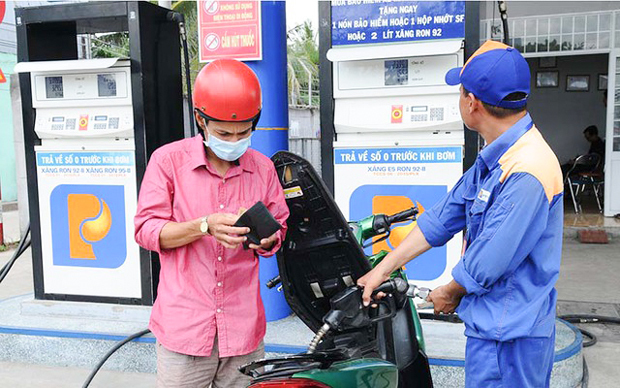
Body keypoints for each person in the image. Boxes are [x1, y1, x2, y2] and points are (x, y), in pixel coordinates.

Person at [358, 40, 563, 388]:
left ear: (472, 102)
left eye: (461, 92)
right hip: (492, 327)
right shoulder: (498, 156)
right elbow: (442, 218)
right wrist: (380, 270)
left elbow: (488, 261)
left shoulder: (528, 169)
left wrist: (450, 291)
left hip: (511, 337)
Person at [134, 59, 289, 388]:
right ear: (200, 120)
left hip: (243, 333)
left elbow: (280, 229)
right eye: (223, 133)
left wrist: (266, 239)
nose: (233, 141)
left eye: (243, 133)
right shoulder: (167, 162)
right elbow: (146, 230)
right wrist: (203, 225)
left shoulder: (262, 169)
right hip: (185, 332)